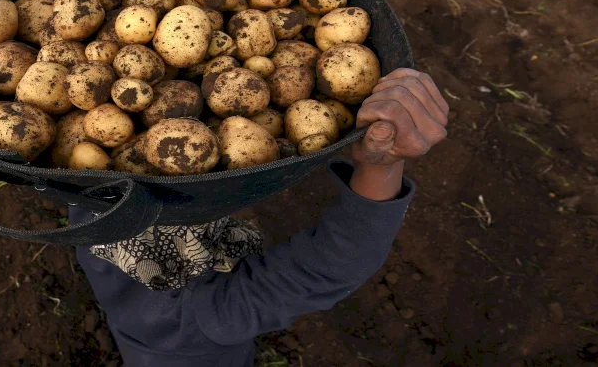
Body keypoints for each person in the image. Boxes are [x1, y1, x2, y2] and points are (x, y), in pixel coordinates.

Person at [69, 68, 450, 366]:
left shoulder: (92, 217)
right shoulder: (213, 315)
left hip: (122, 307)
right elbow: (335, 264)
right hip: (189, 355)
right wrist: (381, 166)